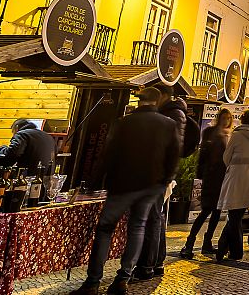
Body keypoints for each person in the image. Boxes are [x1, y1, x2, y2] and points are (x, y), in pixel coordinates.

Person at [70, 87, 180, 295]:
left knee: (105, 229)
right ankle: (123, 279)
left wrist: (94, 183)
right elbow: (173, 157)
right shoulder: (168, 124)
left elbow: (108, 154)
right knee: (137, 227)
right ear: (157, 102)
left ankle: (93, 281)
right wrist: (163, 181)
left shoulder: (124, 123)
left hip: (123, 184)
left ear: (140, 101)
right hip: (150, 185)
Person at [135, 85, 191, 281]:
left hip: (157, 174)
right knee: (156, 218)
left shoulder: (173, 114)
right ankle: (156, 262)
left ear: (165, 96)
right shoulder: (175, 112)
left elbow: (170, 147)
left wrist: (165, 175)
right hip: (160, 174)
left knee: (152, 219)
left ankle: (147, 266)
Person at [215, 110, 249, 262]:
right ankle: (223, 248)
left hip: (237, 177)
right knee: (237, 215)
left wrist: (235, 165)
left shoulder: (237, 135)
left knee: (234, 214)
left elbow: (227, 156)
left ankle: (235, 251)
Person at [180, 108, 233, 259]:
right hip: (211, 177)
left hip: (224, 178)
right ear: (219, 118)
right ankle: (190, 242)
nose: (226, 121)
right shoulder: (210, 132)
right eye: (224, 118)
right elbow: (203, 154)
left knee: (216, 212)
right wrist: (201, 174)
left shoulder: (230, 135)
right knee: (206, 210)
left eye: (228, 118)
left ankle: (207, 242)